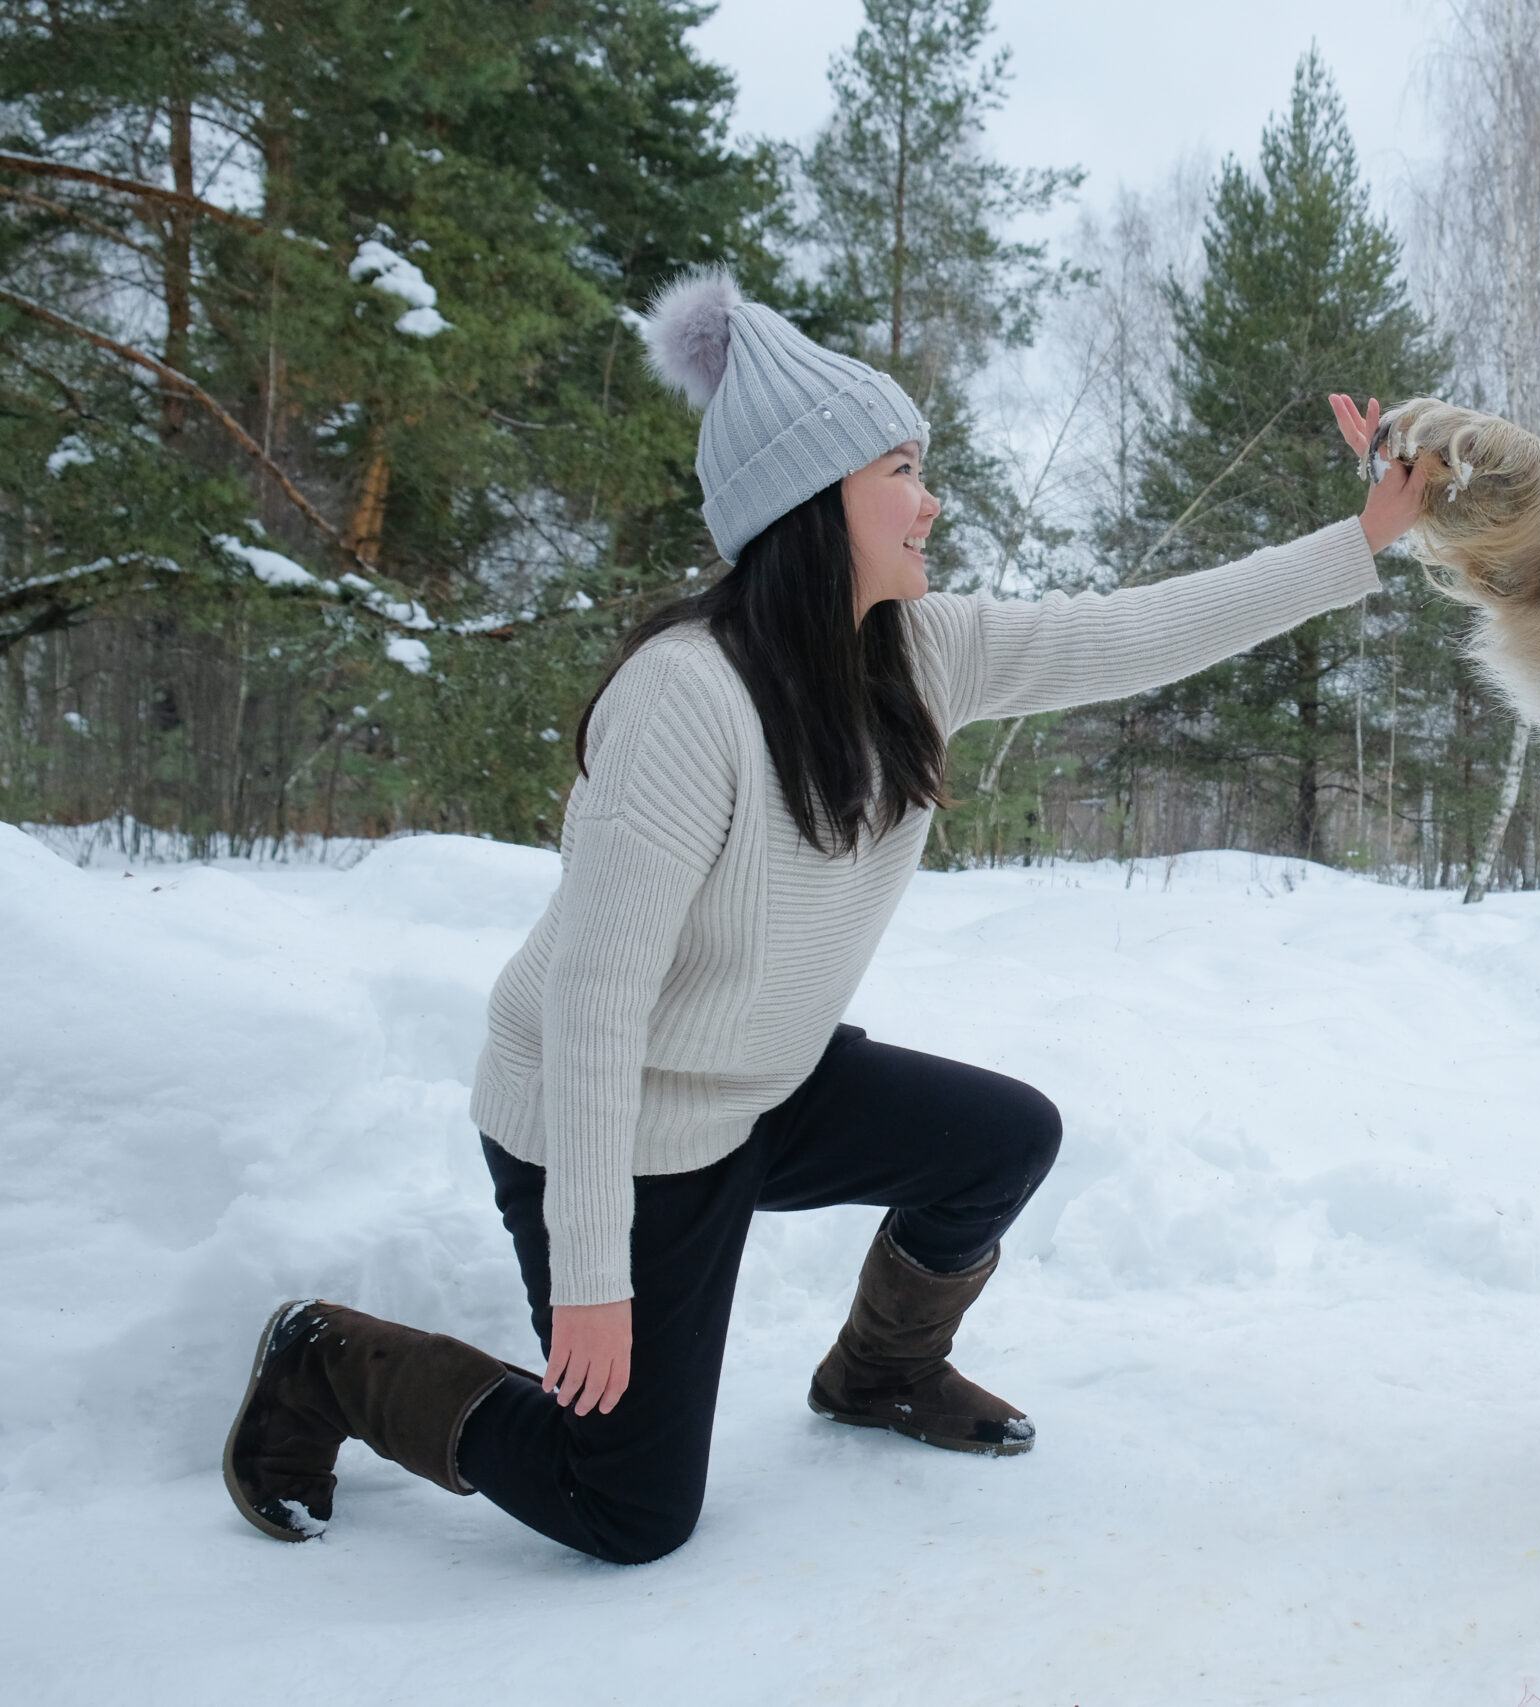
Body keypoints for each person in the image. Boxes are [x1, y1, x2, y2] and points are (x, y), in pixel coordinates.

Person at [220, 268, 1427, 1564]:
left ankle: (880, 1372)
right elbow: (595, 1001)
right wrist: (592, 1275)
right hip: (619, 1123)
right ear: (815, 498)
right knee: (626, 1510)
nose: (930, 497)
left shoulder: (920, 649)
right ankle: (326, 1366)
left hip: (762, 1087)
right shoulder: (687, 700)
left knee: (1002, 1140)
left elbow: (1135, 632)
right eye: (901, 468)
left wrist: (1362, 540)